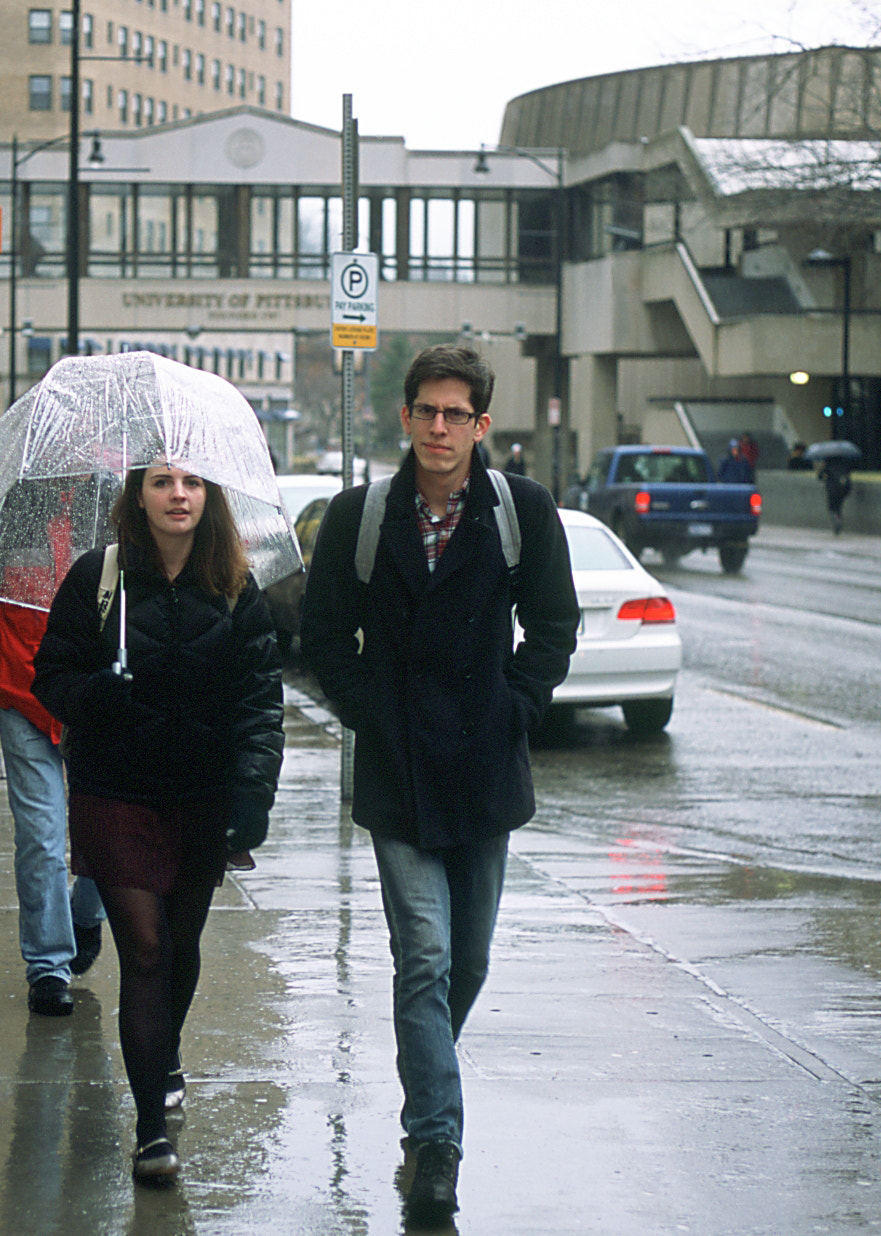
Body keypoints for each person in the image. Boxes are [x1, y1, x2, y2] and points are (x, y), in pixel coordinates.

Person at [300, 344, 579, 1227]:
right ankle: (438, 1145)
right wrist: (372, 716)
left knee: (467, 962)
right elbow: (322, 637)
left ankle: (426, 1077)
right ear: (407, 416)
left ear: (481, 425)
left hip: (486, 771)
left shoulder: (518, 511)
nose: (439, 427)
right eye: (426, 410)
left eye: (457, 414)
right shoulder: (362, 516)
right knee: (422, 955)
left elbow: (555, 624)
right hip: (400, 773)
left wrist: (518, 707)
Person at [33, 463, 284, 1186]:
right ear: (137, 496)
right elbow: (52, 674)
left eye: (193, 483)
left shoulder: (236, 587)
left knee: (179, 942)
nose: (179, 495)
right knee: (142, 949)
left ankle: (164, 1049)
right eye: (163, 482)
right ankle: (149, 1131)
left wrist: (253, 797)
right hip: (115, 793)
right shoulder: (98, 578)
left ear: (211, 500)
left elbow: (261, 702)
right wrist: (93, 698)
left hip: (202, 799)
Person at [0, 557, 106, 1018]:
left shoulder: (114, 515)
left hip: (94, 698)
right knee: (40, 834)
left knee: (103, 825)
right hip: (21, 692)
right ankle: (49, 966)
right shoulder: (8, 518)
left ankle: (86, 913)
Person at [821, 457, 854, 534]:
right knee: (839, 506)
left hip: (833, 489)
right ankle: (839, 519)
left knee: (831, 508)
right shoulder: (844, 464)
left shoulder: (828, 466)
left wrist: (822, 469)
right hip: (844, 488)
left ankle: (836, 522)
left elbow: (820, 476)